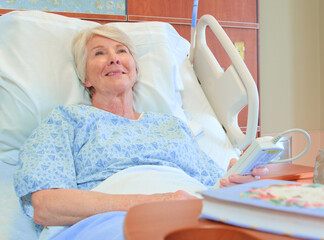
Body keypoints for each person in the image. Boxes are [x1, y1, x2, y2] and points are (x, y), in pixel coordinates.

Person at [14, 25, 268, 239]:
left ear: (134, 70)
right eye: (99, 54)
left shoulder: (173, 126)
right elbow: (47, 206)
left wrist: (237, 183)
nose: (114, 58)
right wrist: (156, 202)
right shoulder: (66, 122)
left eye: (121, 51)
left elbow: (215, 185)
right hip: (113, 222)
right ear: (85, 78)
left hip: (197, 215)